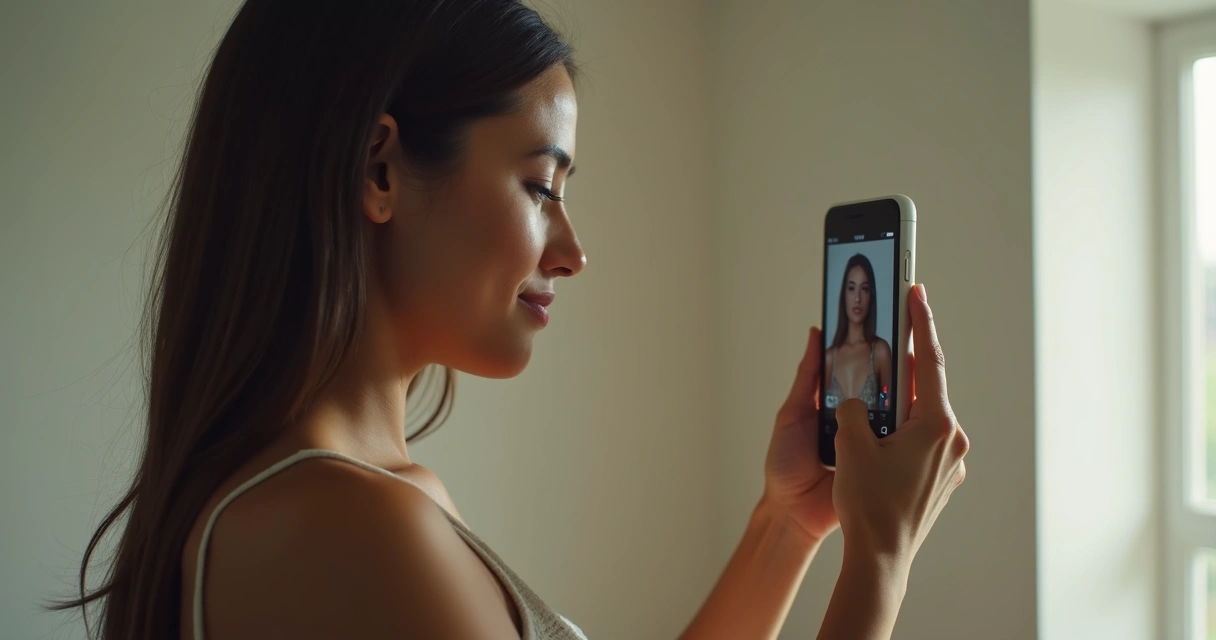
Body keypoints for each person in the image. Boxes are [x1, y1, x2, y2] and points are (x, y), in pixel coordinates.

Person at [53, 2, 969, 639]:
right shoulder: (344, 531)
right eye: (539, 186)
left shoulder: (375, 499)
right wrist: (878, 564)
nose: (571, 250)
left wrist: (787, 527)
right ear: (377, 170)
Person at [824, 254, 893, 411]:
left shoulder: (880, 352)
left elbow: (886, 405)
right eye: (851, 288)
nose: (857, 298)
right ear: (844, 294)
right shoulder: (829, 358)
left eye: (864, 289)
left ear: (871, 294)